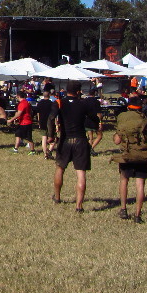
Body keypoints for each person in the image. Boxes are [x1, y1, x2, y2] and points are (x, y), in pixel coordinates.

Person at [52, 81, 100, 213]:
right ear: (78, 91)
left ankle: (57, 197)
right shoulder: (84, 103)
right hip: (80, 140)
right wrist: (96, 126)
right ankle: (79, 206)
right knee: (81, 173)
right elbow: (94, 118)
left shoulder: (59, 102)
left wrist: (51, 135)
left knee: (60, 168)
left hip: (65, 139)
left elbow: (51, 118)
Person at [112, 95, 147, 223]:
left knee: (124, 180)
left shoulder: (122, 119)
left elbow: (117, 141)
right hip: (143, 155)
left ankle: (123, 208)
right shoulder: (146, 120)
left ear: (128, 106)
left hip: (128, 154)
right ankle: (138, 215)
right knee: (140, 184)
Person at [8, 90, 36, 154]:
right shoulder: (26, 102)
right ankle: (16, 148)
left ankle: (32, 150)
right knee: (18, 134)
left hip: (25, 123)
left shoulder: (22, 103)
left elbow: (19, 113)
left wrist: (11, 119)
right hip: (24, 122)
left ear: (18, 96)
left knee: (28, 138)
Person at [36, 89, 59, 160]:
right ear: (49, 95)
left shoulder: (39, 103)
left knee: (44, 138)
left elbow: (38, 113)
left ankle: (45, 154)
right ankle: (49, 151)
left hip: (42, 122)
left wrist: (39, 121)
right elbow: (54, 115)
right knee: (54, 138)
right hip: (50, 123)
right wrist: (56, 123)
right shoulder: (52, 103)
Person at [83, 88, 103, 156]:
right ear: (95, 93)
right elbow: (99, 114)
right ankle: (91, 148)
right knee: (99, 136)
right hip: (94, 120)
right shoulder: (96, 102)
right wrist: (100, 123)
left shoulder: (84, 101)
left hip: (87, 120)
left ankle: (89, 149)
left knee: (90, 136)